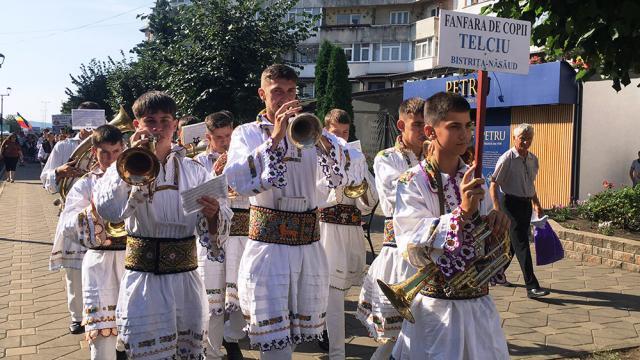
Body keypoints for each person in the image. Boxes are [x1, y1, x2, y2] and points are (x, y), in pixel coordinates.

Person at [93, 91, 231, 359]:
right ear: (137, 126)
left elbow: (219, 223)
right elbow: (108, 210)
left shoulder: (195, 169)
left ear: (176, 124)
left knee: (186, 351)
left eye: (165, 120)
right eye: (150, 121)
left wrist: (214, 215)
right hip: (144, 277)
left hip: (186, 278)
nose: (158, 128)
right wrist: (131, 165)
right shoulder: (124, 166)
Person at [225, 64, 348, 360]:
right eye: (277, 91)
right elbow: (236, 179)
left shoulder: (312, 130)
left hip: (308, 246)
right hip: (268, 248)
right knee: (275, 341)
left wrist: (322, 140)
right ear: (262, 94)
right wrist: (276, 138)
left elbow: (342, 175)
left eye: (291, 91)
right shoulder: (246, 133)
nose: (285, 98)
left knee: (294, 336)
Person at [391, 91, 510, 359]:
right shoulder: (411, 181)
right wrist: (462, 214)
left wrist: (496, 224)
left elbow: (487, 239)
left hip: (479, 304)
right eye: (454, 126)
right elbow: (410, 241)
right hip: (436, 308)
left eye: (467, 125)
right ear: (431, 131)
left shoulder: (476, 177)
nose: (464, 134)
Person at [357, 97, 425, 360]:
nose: (423, 131)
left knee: (422, 334)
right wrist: (431, 165)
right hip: (399, 254)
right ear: (401, 125)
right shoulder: (387, 158)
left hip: (430, 256)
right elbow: (395, 193)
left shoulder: (436, 157)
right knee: (394, 337)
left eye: (427, 125)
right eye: (417, 124)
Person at [58, 124, 127, 359]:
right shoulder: (86, 183)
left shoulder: (138, 177)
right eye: (104, 153)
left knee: (135, 331)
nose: (110, 159)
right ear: (94, 152)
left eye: (116, 152)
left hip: (134, 260)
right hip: (100, 261)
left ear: (124, 149)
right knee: (102, 336)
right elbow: (67, 225)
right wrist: (94, 211)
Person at [317, 109, 378, 359]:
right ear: (325, 131)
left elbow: (369, 201)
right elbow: (315, 196)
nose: (341, 138)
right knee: (331, 293)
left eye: (345, 133)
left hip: (351, 230)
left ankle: (321, 329)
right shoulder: (316, 156)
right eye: (335, 133)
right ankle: (336, 352)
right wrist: (336, 179)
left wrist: (359, 175)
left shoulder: (356, 156)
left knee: (339, 291)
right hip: (326, 231)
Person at [194, 111, 246, 360]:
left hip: (243, 235)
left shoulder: (244, 158)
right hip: (212, 240)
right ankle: (212, 352)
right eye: (219, 137)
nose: (225, 142)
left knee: (242, 295)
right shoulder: (199, 163)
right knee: (213, 301)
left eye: (228, 136)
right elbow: (198, 199)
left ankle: (233, 337)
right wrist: (217, 173)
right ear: (208, 137)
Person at [45, 101, 99, 335]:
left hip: (102, 213)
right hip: (73, 212)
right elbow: (45, 177)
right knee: (74, 271)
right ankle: (77, 316)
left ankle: (100, 312)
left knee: (102, 267)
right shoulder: (65, 146)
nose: (89, 125)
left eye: (94, 119)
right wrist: (60, 171)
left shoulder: (108, 142)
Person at [490, 123, 550, 299]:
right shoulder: (507, 158)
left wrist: (536, 203)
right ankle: (532, 286)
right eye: (522, 138)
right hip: (510, 203)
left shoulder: (533, 159)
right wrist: (497, 209)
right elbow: (494, 184)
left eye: (529, 138)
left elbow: (529, 184)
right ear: (514, 139)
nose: (526, 142)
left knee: (514, 244)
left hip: (525, 204)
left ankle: (496, 272)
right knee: (522, 243)